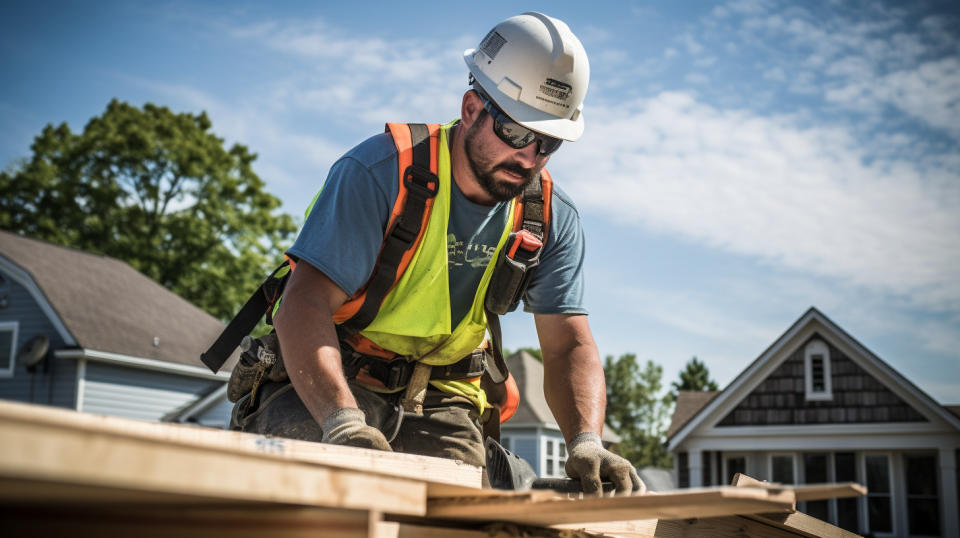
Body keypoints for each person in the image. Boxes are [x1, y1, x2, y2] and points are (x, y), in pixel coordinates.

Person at [237, 12, 644, 496]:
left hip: (441, 399)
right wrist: (343, 424)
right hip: (328, 382)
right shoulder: (381, 172)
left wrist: (586, 442)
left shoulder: (550, 216)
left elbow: (568, 346)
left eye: (548, 142)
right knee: (318, 490)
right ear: (472, 108)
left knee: (458, 515)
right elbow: (302, 305)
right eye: (516, 133)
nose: (530, 157)